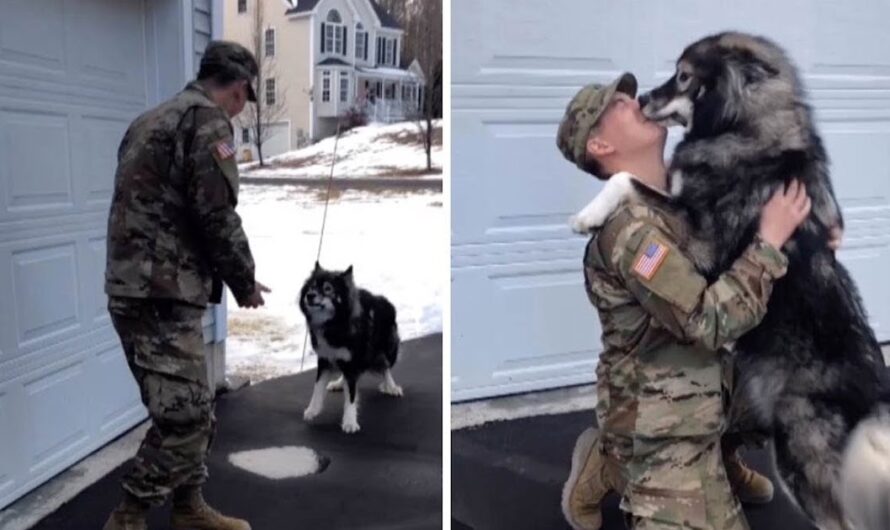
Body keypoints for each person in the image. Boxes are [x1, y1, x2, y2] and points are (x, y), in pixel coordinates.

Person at [556, 73, 813, 529]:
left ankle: (717, 452)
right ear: (599, 146)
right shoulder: (633, 235)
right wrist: (769, 243)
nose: (634, 103)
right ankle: (613, 461)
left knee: (805, 384)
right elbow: (708, 319)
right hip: (660, 422)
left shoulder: (679, 196)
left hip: (713, 382)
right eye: (617, 104)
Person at [102, 41, 269, 530]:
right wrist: (245, 281)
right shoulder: (207, 122)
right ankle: (128, 516)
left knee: (189, 405)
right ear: (238, 88)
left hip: (135, 290)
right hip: (162, 295)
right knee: (185, 418)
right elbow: (216, 213)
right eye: (245, 97)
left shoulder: (148, 120)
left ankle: (188, 507)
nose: (242, 106)